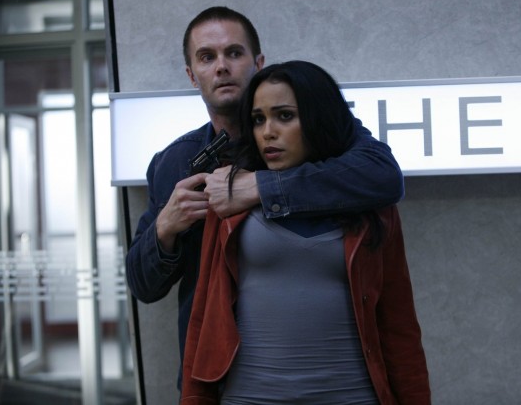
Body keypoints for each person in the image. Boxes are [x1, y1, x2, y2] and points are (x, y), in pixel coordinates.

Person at [124, 7, 405, 387]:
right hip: (221, 379)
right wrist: (165, 229)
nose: (222, 67)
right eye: (207, 57)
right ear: (192, 75)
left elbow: (383, 175)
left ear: (258, 63)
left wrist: (260, 186)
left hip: (334, 371)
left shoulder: (319, 135)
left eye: (234, 53)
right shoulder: (174, 162)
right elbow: (143, 286)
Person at [181, 61, 431, 404]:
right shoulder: (231, 196)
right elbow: (203, 320)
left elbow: (398, 326)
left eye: (285, 116)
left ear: (317, 119)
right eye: (258, 119)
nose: (268, 132)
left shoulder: (370, 203)